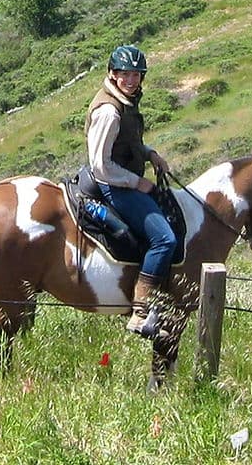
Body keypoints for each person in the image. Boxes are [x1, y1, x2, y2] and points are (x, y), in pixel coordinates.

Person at [84, 44, 177, 336]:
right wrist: (139, 182)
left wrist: (150, 154)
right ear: (112, 75)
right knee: (164, 239)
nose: (131, 80)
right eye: (125, 74)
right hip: (115, 185)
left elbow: (127, 144)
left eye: (136, 74)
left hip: (121, 178)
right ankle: (140, 311)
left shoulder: (125, 103)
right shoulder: (110, 112)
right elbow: (101, 166)